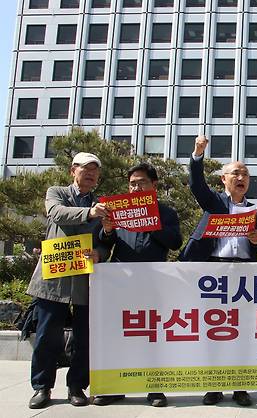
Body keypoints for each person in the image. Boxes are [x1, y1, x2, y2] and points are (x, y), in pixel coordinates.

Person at [180, 134, 257, 407]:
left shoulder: (254, 210)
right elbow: (197, 185)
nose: (241, 178)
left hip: (243, 273)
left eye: (245, 174)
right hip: (214, 271)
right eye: (235, 173)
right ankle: (214, 385)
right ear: (224, 179)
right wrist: (198, 153)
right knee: (214, 330)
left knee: (242, 331)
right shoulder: (215, 202)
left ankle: (240, 386)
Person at [93, 162, 183, 408]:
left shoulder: (166, 212)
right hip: (120, 281)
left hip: (153, 283)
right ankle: (114, 388)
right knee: (118, 334)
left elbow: (175, 242)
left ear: (154, 185)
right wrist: (107, 230)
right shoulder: (118, 209)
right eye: (132, 184)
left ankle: (154, 388)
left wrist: (150, 223)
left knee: (152, 335)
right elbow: (105, 243)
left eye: (141, 182)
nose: (135, 188)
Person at [26, 152, 109, 409]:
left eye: (95, 170)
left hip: (85, 279)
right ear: (73, 170)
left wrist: (100, 253)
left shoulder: (102, 204)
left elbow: (106, 241)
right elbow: (57, 213)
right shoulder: (57, 193)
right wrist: (90, 213)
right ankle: (42, 387)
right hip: (54, 276)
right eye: (85, 169)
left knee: (84, 338)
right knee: (47, 335)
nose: (91, 174)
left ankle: (77, 386)